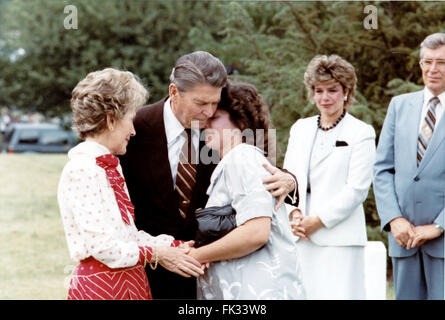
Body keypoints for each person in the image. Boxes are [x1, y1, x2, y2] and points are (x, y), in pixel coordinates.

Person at [120, 51, 298, 299]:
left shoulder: (221, 128)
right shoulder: (135, 127)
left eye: (214, 103)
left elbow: (258, 160)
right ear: (174, 92)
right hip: (150, 274)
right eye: (200, 103)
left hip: (208, 274)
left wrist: (290, 180)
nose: (208, 112)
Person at [57, 68, 204, 300]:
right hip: (103, 288)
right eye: (130, 120)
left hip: (130, 282)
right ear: (111, 120)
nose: (134, 131)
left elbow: (126, 235)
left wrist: (174, 246)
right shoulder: (82, 170)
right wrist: (158, 253)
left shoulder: (109, 166)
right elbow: (104, 247)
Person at [188, 82, 305, 300]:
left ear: (240, 123)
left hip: (259, 292)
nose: (205, 123)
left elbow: (256, 232)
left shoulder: (242, 157)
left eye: (214, 117)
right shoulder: (230, 161)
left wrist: (196, 256)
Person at [283, 55, 376, 299]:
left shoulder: (361, 132)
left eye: (332, 90)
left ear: (346, 91)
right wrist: (294, 215)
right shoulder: (300, 128)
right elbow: (289, 179)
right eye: (319, 90)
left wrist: (318, 220)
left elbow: (357, 189)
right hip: (300, 236)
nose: (325, 98)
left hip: (339, 239)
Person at [373, 33, 445, 300]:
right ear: (420, 65)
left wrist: (438, 227)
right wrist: (394, 219)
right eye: (427, 62)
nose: (433, 69)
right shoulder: (399, 106)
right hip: (403, 239)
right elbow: (382, 169)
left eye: (441, 62)